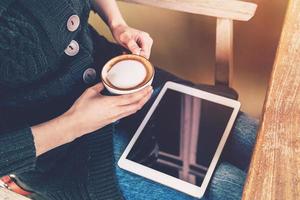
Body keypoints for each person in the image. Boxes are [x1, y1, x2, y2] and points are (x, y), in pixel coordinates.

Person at [0, 0, 258, 199]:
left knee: (255, 136)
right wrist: (75, 123)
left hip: (121, 76)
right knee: (229, 185)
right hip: (64, 153)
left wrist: (118, 23)